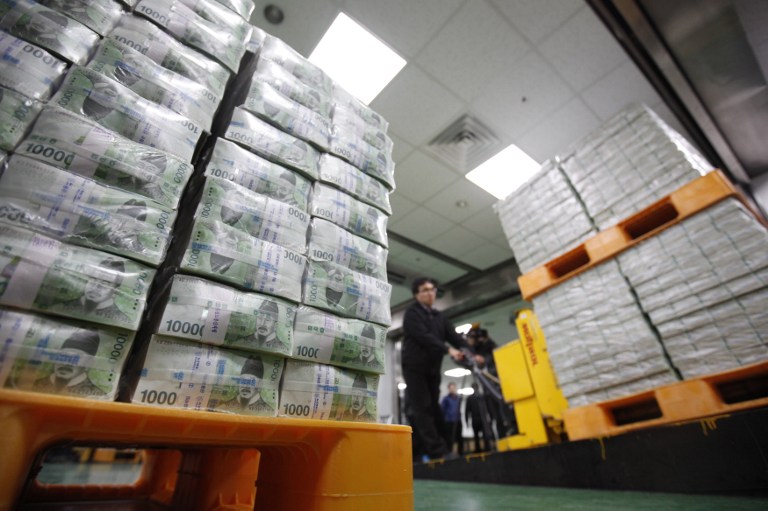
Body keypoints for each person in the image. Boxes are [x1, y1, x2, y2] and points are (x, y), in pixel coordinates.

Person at [401, 277, 482, 461]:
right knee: (422, 407)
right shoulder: (412, 314)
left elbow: (455, 337)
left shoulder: (440, 318)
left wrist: (470, 352)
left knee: (434, 408)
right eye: (425, 290)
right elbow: (424, 336)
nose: (430, 293)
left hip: (432, 368)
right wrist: (448, 350)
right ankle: (437, 452)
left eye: (432, 289)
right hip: (414, 368)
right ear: (416, 294)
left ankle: (444, 448)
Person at [32, 329, 106, 397]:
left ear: (89, 363)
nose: (67, 363)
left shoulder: (100, 396)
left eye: (76, 358)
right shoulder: (32, 385)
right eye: (63, 355)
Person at [60, 258, 130, 326]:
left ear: (116, 290)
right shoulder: (60, 308)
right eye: (93, 279)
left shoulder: (122, 321)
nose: (95, 287)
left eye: (105, 283)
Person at [440, 382, 463, 455]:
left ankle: (460, 453)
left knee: (459, 437)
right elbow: (442, 410)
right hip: (448, 422)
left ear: (455, 388)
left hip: (458, 421)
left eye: (454, 388)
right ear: (449, 389)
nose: (452, 389)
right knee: (449, 438)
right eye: (451, 388)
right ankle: (449, 452)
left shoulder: (459, 399)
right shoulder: (445, 399)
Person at [465, 383, 488, 453]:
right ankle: (479, 450)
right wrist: (467, 422)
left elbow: (486, 408)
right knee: (477, 436)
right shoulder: (470, 398)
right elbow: (467, 411)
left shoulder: (482, 397)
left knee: (485, 435)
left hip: (482, 419)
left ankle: (487, 448)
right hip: (475, 419)